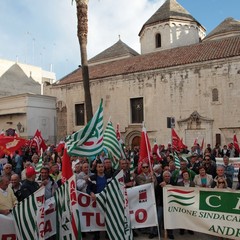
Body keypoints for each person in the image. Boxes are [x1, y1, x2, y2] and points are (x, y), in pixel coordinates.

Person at [87, 162, 112, 240]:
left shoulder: (109, 177)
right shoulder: (92, 178)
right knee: (96, 217)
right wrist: (91, 193)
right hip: (97, 201)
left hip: (107, 200)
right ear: (96, 168)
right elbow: (88, 189)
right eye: (99, 167)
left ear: (104, 168)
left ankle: (108, 233)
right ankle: (96, 234)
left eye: (102, 166)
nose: (101, 168)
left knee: (108, 217)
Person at [153, 171, 174, 239]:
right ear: (163, 177)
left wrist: (169, 186)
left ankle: (170, 233)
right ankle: (155, 232)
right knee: (158, 218)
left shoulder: (173, 183)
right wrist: (160, 187)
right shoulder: (160, 183)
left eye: (168, 176)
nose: (167, 177)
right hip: (161, 204)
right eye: (165, 176)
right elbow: (156, 193)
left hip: (170, 205)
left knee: (169, 220)